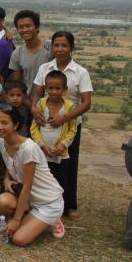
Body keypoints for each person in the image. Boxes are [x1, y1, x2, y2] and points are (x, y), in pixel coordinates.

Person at [31, 31, 92, 221]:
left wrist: (64, 118)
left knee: (68, 165)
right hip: (46, 124)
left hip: (69, 125)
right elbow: (37, 92)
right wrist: (34, 110)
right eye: (56, 45)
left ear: (71, 48)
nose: (60, 49)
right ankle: (43, 202)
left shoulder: (80, 72)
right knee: (44, 164)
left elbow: (86, 102)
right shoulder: (45, 68)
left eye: (64, 45)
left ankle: (69, 206)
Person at [0, 104, 65, 245]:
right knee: (2, 202)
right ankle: (30, 216)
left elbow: (27, 185)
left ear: (15, 125)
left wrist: (16, 220)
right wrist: (7, 179)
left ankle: (52, 218)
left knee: (19, 239)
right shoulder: (2, 142)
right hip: (29, 200)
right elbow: (10, 163)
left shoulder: (28, 148)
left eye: (4, 123)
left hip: (48, 202)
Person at [30, 71, 77, 213]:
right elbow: (34, 128)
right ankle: (40, 209)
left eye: (58, 88)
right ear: (45, 88)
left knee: (60, 184)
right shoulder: (41, 103)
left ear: (65, 89)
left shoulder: (69, 107)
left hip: (61, 155)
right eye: (50, 88)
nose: (54, 91)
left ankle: (58, 212)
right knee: (42, 182)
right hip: (42, 153)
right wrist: (42, 146)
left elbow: (72, 130)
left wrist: (63, 145)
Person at [9, 10, 52, 95]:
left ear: (37, 27)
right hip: (29, 102)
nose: (25, 30)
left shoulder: (52, 47)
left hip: (53, 102)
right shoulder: (17, 54)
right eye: (21, 27)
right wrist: (29, 105)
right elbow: (17, 86)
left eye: (28, 26)